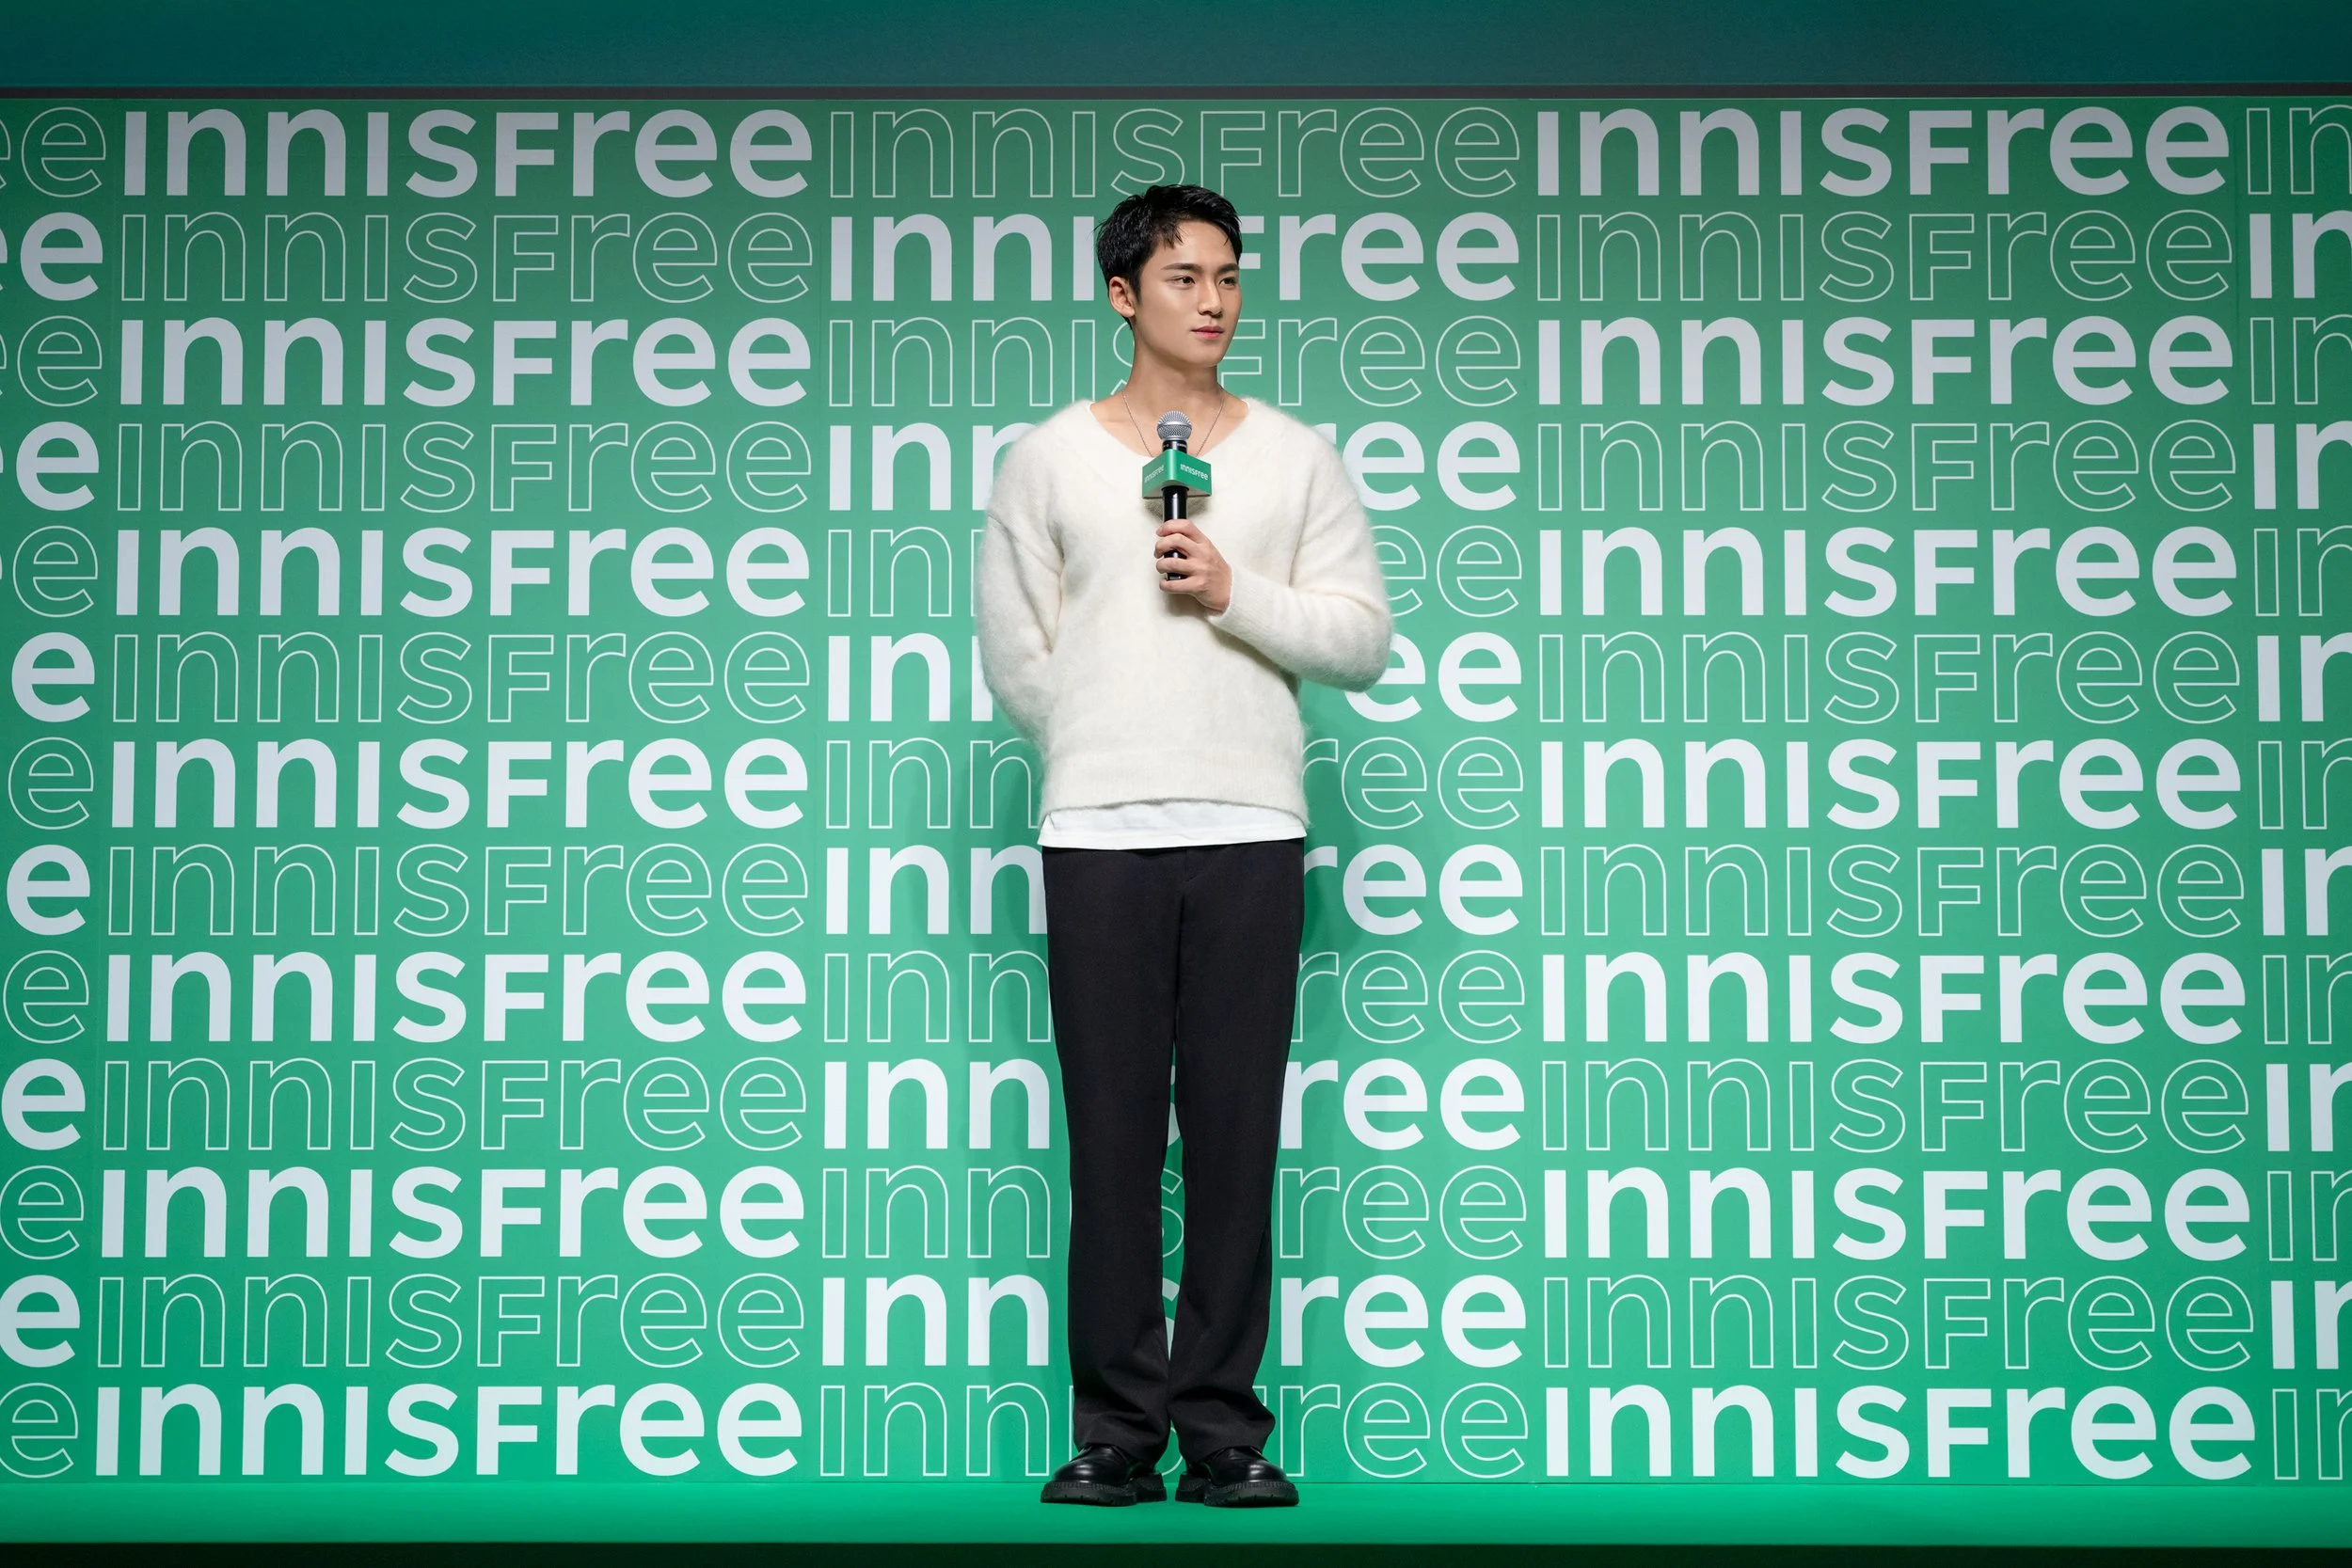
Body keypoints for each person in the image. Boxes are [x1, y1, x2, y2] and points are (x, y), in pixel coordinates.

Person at [975, 182, 1393, 1508]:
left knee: (1230, 1140)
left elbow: (1361, 641)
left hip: (1251, 831)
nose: (1213, 302)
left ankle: (1221, 1431)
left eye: (1228, 277)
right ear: (1121, 295)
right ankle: (1114, 1431)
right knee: (1109, 1139)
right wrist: (1110, 745)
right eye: (1184, 280)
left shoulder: (1295, 457)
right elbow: (1019, 659)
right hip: (1098, 829)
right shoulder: (1045, 458)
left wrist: (1234, 593)